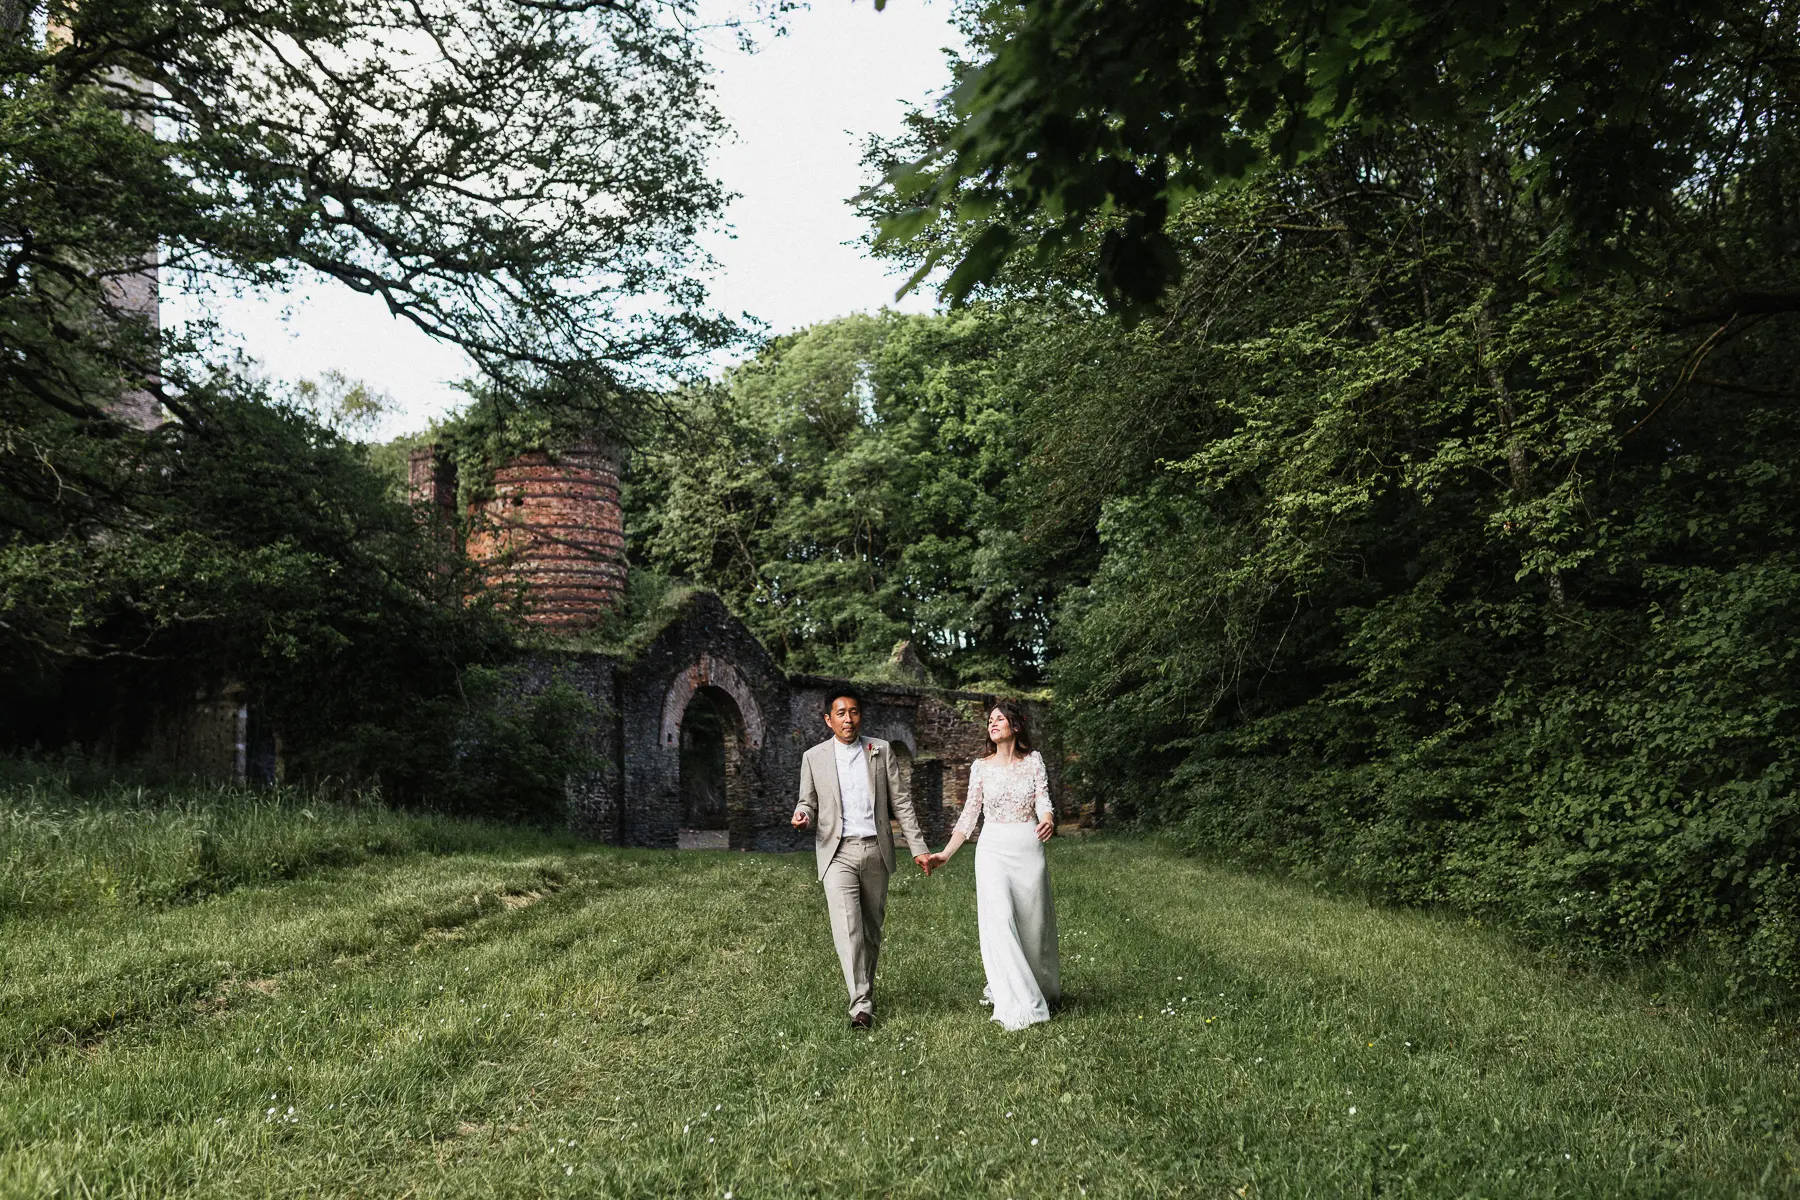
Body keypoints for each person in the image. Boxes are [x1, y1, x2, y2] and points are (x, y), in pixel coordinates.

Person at [792, 688, 933, 1028]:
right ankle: (861, 1006)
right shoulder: (814, 757)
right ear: (829, 720)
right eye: (840, 713)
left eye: (853, 712)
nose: (848, 719)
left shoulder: (880, 750)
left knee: (870, 931)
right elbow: (807, 801)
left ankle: (864, 990)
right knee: (849, 928)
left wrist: (918, 847)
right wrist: (802, 814)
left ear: (860, 716)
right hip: (836, 852)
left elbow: (901, 802)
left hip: (875, 850)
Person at [925, 700, 1060, 1030]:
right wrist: (946, 852)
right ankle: (1017, 1001)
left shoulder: (1033, 762)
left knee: (1032, 927)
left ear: (1015, 726)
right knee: (999, 920)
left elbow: (1042, 797)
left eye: (1000, 719)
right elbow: (970, 814)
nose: (993, 723)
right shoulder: (980, 767)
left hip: (1028, 848)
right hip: (992, 850)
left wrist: (1048, 819)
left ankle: (1038, 986)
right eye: (990, 720)